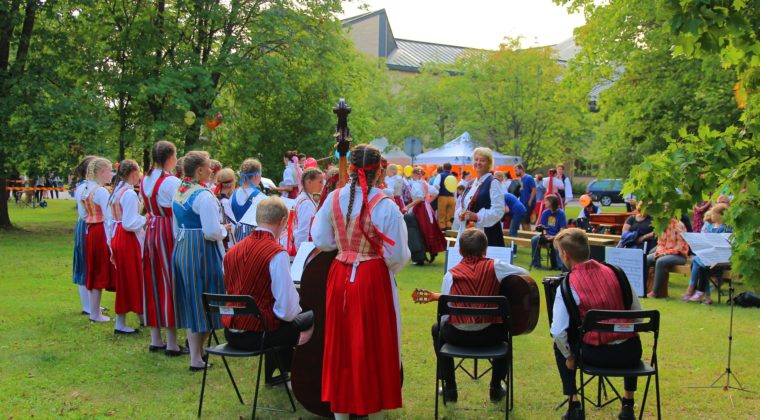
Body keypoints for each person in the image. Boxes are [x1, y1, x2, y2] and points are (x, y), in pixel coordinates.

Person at [311, 144, 410, 419]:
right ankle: (373, 407)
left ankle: (342, 412)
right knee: (376, 343)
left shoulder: (334, 198)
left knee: (340, 343)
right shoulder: (386, 205)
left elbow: (320, 239)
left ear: (352, 170)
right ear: (379, 170)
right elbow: (398, 255)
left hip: (340, 274)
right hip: (372, 277)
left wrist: (344, 248)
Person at [550, 228, 644, 420]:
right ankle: (628, 404)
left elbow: (558, 331)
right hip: (630, 354)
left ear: (565, 255)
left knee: (559, 345)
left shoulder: (567, 285)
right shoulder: (617, 273)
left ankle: (574, 404)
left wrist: (569, 356)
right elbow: (638, 316)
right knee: (633, 334)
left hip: (595, 355)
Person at [431, 228, 528, 403]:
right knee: (507, 329)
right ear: (485, 249)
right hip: (491, 336)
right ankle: (496, 387)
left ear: (459, 251)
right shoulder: (496, 266)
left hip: (457, 337)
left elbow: (445, 314)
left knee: (436, 328)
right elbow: (524, 274)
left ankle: (450, 389)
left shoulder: (450, 275)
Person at [222, 197, 313, 377]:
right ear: (282, 222)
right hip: (258, 336)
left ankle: (282, 370)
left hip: (230, 332)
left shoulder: (232, 251)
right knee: (312, 317)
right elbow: (287, 311)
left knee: (280, 318)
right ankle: (303, 376)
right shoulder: (276, 253)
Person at [173, 151, 231, 371]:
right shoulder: (203, 195)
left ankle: (197, 354)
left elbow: (176, 224)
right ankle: (196, 356)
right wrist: (224, 231)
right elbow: (210, 231)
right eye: (208, 167)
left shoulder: (180, 191)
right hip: (201, 251)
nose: (211, 170)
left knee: (192, 299)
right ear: (199, 170)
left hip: (183, 246)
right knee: (207, 298)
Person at [141, 140, 185, 356]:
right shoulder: (170, 182)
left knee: (152, 281)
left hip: (151, 230)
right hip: (167, 231)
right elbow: (178, 212)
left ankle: (155, 338)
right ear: (170, 158)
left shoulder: (145, 179)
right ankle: (172, 342)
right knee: (169, 282)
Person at [108, 159, 145, 334]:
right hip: (127, 237)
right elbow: (130, 222)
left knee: (128, 278)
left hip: (118, 235)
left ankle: (140, 315)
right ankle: (123, 322)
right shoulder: (128, 193)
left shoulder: (117, 191)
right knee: (131, 278)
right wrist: (146, 218)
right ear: (133, 173)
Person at [82, 157, 115, 323]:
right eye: (109, 170)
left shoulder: (86, 189)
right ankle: (95, 313)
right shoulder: (101, 191)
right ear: (102, 172)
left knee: (94, 268)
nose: (112, 174)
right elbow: (108, 217)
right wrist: (111, 240)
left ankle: (93, 310)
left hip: (90, 230)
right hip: (100, 230)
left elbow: (83, 214)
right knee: (99, 269)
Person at [455, 148, 506, 247]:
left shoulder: (493, 182)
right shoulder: (471, 183)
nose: (478, 163)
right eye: (476, 159)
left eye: (482, 160)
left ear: (489, 164)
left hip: (487, 235)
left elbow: (498, 211)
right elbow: (463, 206)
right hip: (468, 234)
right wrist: (461, 214)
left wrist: (477, 216)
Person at [682, 204, 731, 304]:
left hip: (720, 259)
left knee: (697, 261)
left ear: (720, 215)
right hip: (709, 257)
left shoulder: (726, 228)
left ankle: (693, 290)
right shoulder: (710, 225)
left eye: (713, 214)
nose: (711, 215)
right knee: (701, 264)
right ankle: (704, 296)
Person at [404, 167, 447, 261]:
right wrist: (428, 202)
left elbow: (420, 198)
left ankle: (421, 253)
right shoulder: (424, 183)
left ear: (414, 175)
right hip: (426, 208)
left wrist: (407, 206)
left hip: (419, 209)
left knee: (419, 230)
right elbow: (435, 192)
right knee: (428, 228)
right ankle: (432, 251)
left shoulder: (416, 184)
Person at [72, 156, 97, 316]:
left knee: (91, 264)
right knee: (83, 264)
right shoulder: (83, 188)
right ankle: (87, 305)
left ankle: (92, 303)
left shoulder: (88, 187)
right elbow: (83, 212)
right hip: (85, 224)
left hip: (89, 223)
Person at [646, 217, 690, 298]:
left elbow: (680, 247)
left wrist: (664, 253)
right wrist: (659, 252)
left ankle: (654, 293)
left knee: (660, 261)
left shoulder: (678, 225)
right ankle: (643, 288)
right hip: (664, 252)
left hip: (679, 255)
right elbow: (660, 243)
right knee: (646, 259)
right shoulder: (661, 225)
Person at [288, 167, 323, 255]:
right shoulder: (306, 203)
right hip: (303, 249)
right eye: (320, 182)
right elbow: (303, 231)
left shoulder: (302, 198)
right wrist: (302, 254)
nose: (322, 185)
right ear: (309, 182)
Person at [230, 158, 265, 242]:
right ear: (257, 176)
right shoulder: (261, 197)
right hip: (254, 241)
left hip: (236, 240)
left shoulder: (232, 195)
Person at [530, 195, 567, 270]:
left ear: (551, 202)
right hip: (546, 235)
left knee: (556, 241)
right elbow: (542, 226)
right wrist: (545, 234)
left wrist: (554, 237)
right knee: (534, 239)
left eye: (546, 201)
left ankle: (557, 266)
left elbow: (562, 230)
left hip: (557, 236)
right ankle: (536, 264)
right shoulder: (545, 212)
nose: (545, 202)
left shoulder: (561, 213)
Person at [214, 168, 237, 250]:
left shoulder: (216, 197)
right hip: (227, 244)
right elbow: (233, 227)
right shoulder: (225, 202)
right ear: (232, 183)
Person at [435, 162, 456, 230]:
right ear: (451, 168)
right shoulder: (453, 176)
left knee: (441, 216)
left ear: (443, 168)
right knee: (450, 216)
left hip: (442, 196)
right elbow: (455, 188)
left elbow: (436, 185)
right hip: (451, 197)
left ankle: (442, 231)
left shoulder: (440, 175)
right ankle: (449, 229)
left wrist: (437, 193)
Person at [515, 164, 536, 230]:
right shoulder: (520, 179)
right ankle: (528, 236)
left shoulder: (529, 177)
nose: (515, 172)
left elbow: (534, 189)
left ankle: (526, 237)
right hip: (523, 203)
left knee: (524, 221)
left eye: (516, 170)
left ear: (521, 169)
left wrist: (530, 201)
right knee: (525, 221)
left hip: (528, 203)